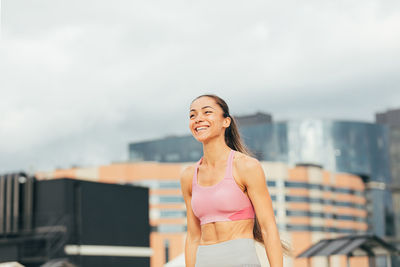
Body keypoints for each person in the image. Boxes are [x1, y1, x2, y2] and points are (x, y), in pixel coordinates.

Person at [180, 94, 284, 267]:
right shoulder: (188, 176)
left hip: (241, 261)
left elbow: (268, 228)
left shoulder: (246, 166)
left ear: (226, 122)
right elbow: (193, 236)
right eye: (193, 115)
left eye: (207, 112)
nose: (198, 119)